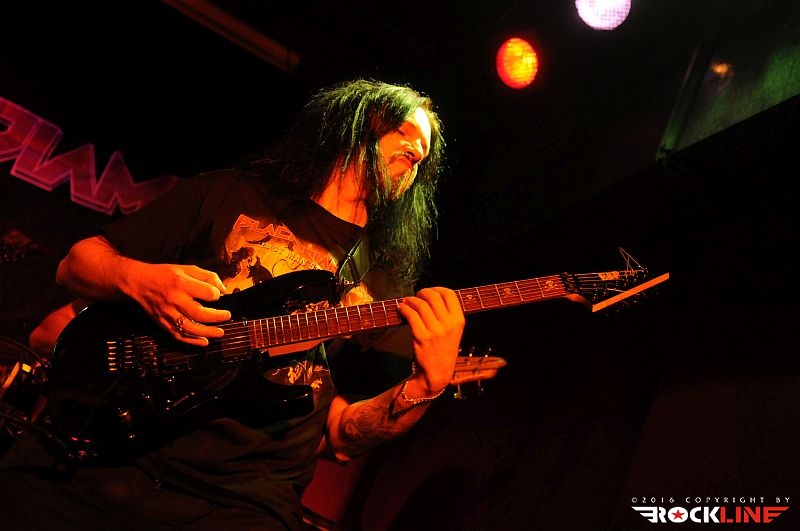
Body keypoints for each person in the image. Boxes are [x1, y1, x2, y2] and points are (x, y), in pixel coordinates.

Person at [0, 78, 465, 530]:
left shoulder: (386, 282)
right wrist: (142, 281)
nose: (416, 150)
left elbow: (343, 436)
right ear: (353, 124)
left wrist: (426, 386)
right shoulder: (231, 193)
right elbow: (77, 264)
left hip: (242, 500)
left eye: (423, 153)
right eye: (403, 131)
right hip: (103, 450)